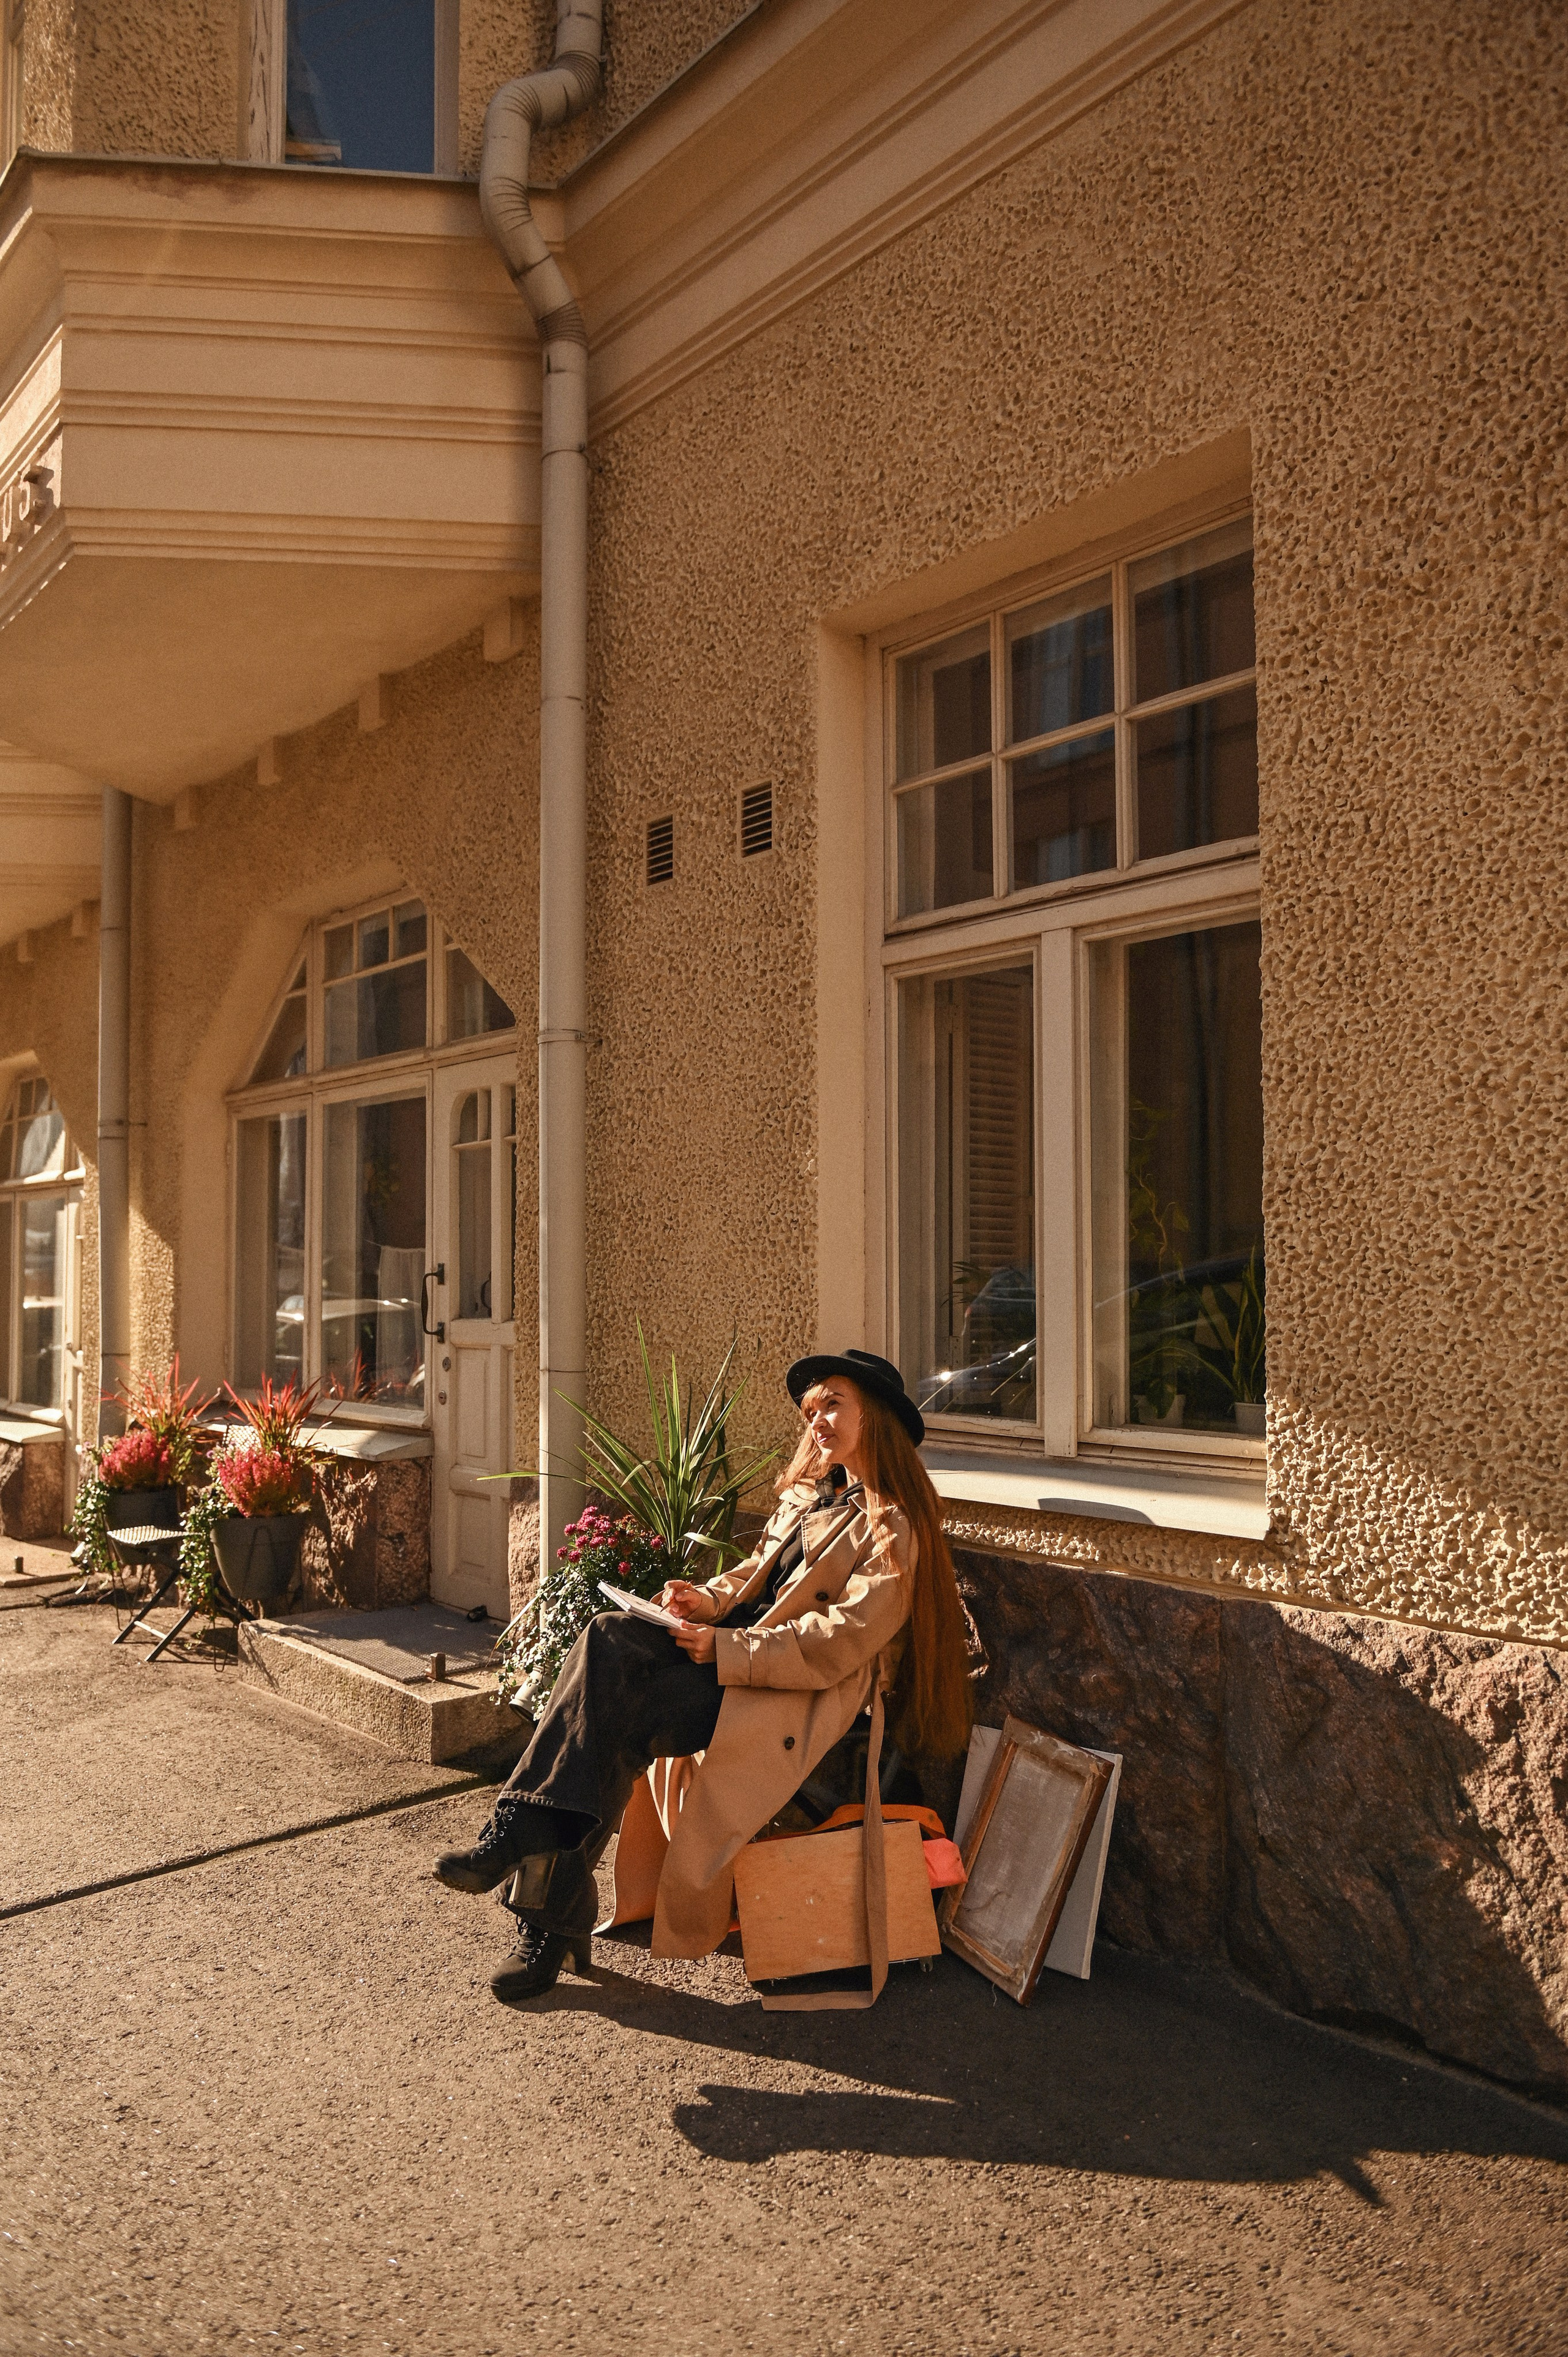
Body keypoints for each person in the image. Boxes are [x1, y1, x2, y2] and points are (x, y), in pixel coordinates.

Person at [434, 1349, 973, 2002]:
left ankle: (532, 1876)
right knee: (608, 1644)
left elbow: (839, 1642)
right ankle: (540, 1886)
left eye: (833, 1403)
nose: (818, 1421)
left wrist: (724, 1645)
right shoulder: (813, 1495)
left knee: (610, 1717)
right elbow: (753, 1577)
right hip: (732, 1658)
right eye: (811, 1410)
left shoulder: (895, 1525)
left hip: (792, 1689)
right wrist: (704, 1600)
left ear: (876, 1417)